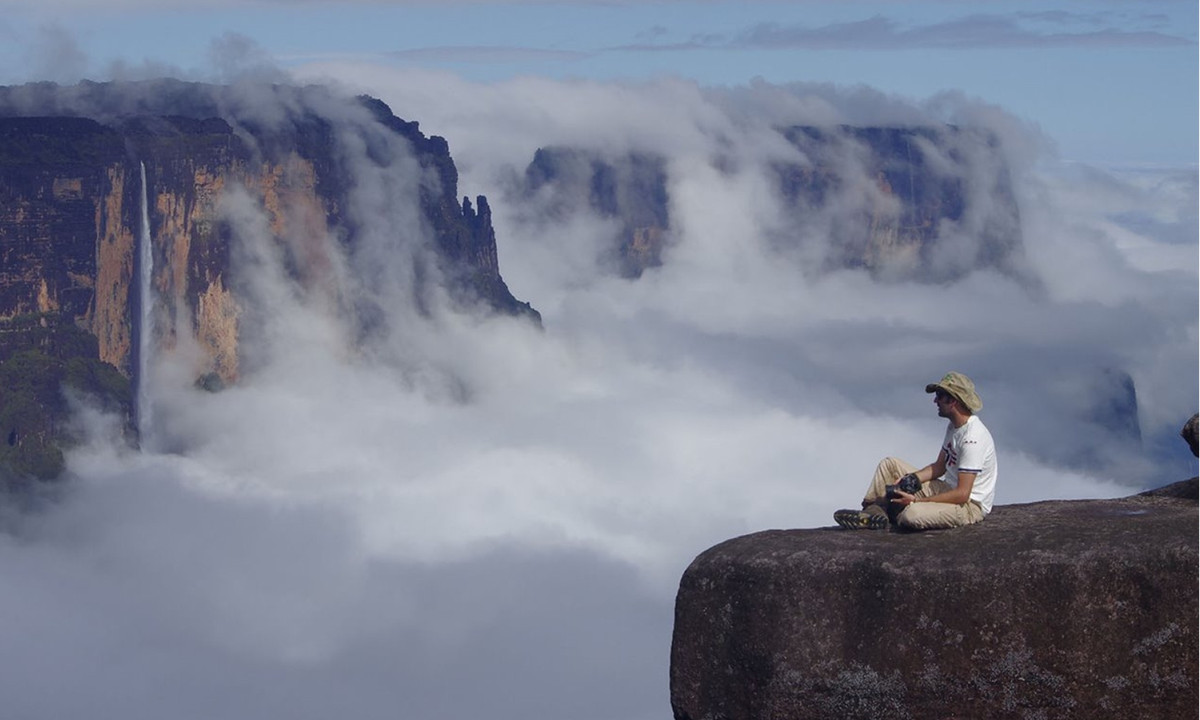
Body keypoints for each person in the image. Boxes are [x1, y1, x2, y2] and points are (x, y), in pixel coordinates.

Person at [834, 372, 998, 531]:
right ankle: (873, 511)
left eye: (940, 395)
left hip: (968, 506)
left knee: (912, 515)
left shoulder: (972, 439)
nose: (935, 400)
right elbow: (940, 467)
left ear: (953, 401)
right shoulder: (954, 428)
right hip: (949, 490)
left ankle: (890, 511)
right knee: (889, 464)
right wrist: (911, 479)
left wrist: (917, 502)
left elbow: (962, 494)